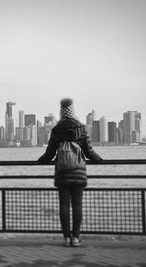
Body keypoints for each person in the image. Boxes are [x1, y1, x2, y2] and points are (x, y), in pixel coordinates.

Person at [37, 98, 103, 247]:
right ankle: (76, 238)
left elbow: (49, 154)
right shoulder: (81, 127)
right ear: (73, 110)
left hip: (62, 172)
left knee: (64, 205)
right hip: (78, 171)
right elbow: (89, 151)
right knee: (78, 205)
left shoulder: (56, 129)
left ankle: (66, 238)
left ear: (61, 111)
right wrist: (100, 160)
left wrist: (39, 161)